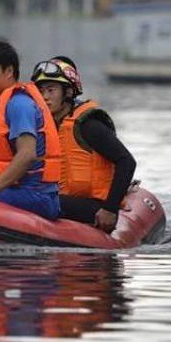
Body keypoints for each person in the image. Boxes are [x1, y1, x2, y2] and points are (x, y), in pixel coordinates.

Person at [33, 56, 136, 233]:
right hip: (64, 199)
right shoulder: (45, 127)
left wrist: (110, 209)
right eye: (41, 91)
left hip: (96, 205)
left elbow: (126, 161)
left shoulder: (88, 125)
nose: (45, 97)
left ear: (68, 93)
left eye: (51, 90)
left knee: (39, 201)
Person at [0, 41, 60, 220]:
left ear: (9, 71)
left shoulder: (19, 104)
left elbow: (27, 155)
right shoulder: (3, 103)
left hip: (36, 195)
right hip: (19, 190)